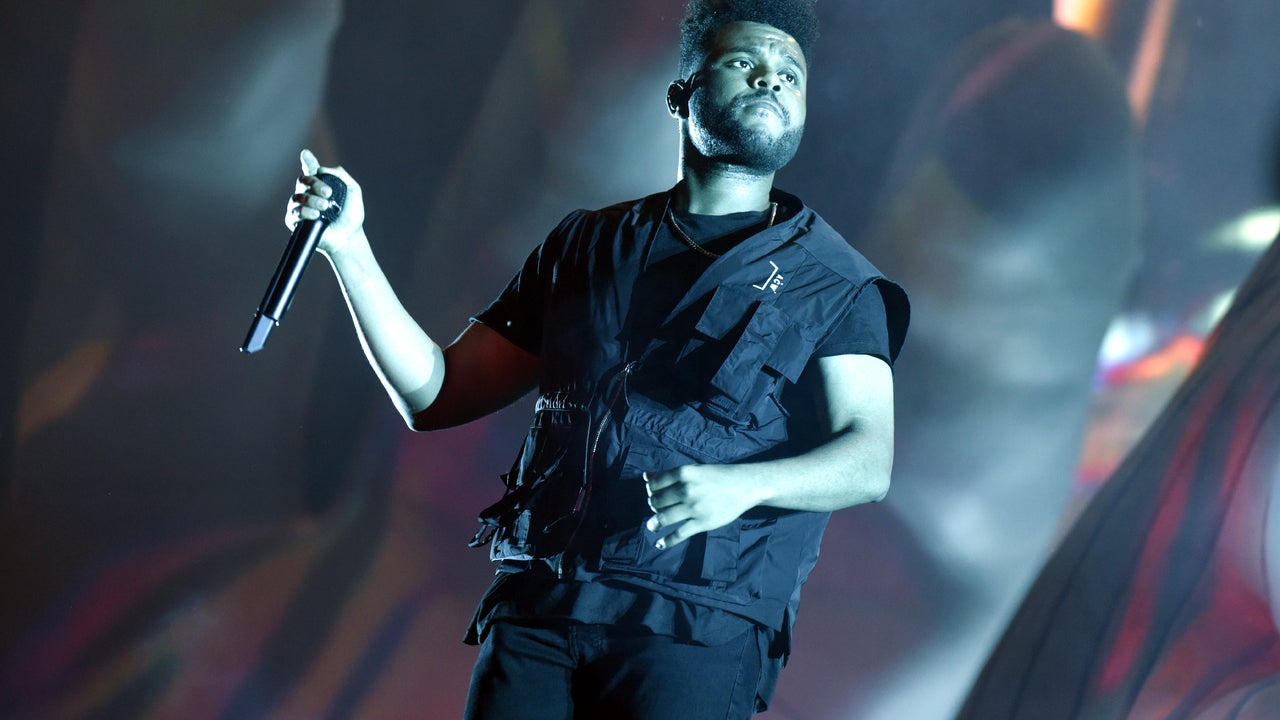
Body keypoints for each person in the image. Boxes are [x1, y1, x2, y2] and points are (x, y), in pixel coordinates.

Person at [286, 1, 908, 717]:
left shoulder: (836, 284)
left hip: (696, 627)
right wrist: (349, 247)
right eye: (745, 63)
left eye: (789, 75)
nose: (770, 80)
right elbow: (437, 393)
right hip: (541, 612)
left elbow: (869, 460)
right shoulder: (585, 246)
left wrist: (741, 487)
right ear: (682, 94)